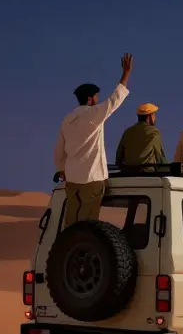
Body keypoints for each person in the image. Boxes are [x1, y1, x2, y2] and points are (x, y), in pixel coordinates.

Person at [54, 53, 133, 227]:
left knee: (71, 222)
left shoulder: (67, 119)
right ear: (90, 99)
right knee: (88, 224)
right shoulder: (93, 114)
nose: (98, 100)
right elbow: (115, 100)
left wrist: (62, 170)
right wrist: (126, 74)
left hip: (72, 180)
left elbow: (59, 151)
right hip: (91, 178)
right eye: (96, 97)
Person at [115, 102, 168, 170]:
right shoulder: (154, 132)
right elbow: (160, 156)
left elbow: (119, 156)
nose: (155, 118)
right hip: (147, 173)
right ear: (150, 116)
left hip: (127, 173)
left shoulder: (128, 132)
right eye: (154, 114)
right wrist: (168, 170)